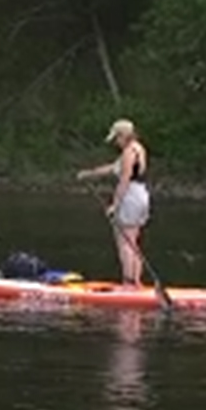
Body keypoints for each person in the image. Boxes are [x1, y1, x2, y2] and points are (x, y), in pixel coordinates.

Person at [76, 118, 151, 286]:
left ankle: (128, 283)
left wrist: (114, 206)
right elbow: (112, 168)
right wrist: (89, 174)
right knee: (133, 241)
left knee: (124, 242)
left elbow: (124, 180)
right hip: (141, 195)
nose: (116, 142)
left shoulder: (128, 153)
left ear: (124, 136)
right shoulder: (138, 149)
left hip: (130, 196)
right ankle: (136, 282)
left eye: (117, 138)